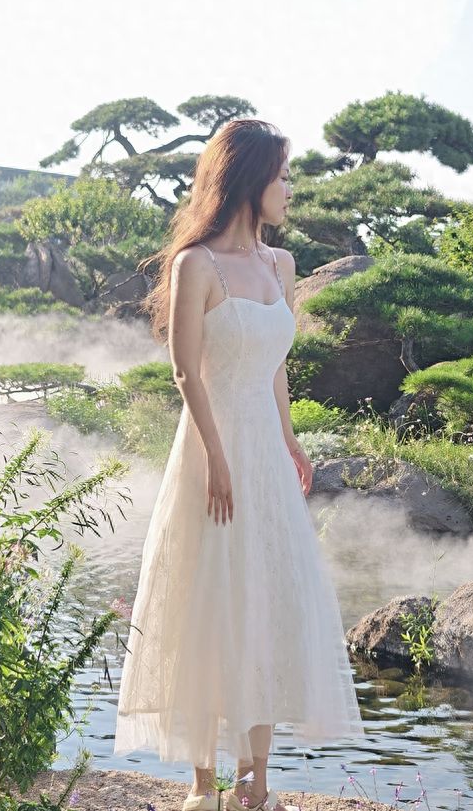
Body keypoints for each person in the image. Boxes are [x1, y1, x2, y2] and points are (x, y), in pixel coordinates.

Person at [114, 119, 364, 811]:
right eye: (283, 176)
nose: (289, 190)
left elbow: (277, 368)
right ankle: (201, 783)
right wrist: (218, 460)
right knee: (207, 597)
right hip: (209, 449)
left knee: (267, 595)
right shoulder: (197, 264)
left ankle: (255, 777)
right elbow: (185, 372)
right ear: (251, 179)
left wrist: (290, 440)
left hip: (264, 450)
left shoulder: (281, 267)